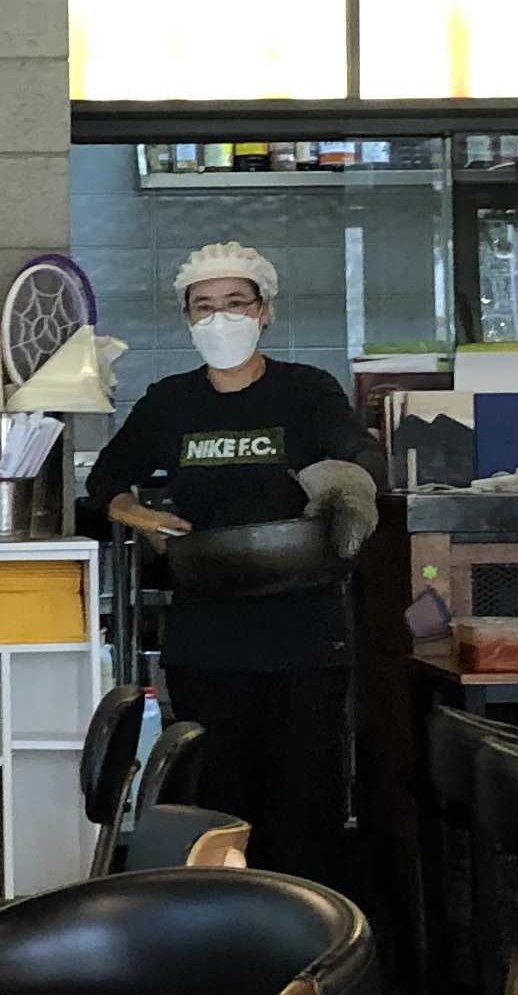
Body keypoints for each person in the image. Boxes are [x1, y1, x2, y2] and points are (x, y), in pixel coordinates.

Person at [80, 243, 381, 875]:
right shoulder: (170, 402)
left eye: (237, 303)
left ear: (265, 312)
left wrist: (348, 485)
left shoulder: (306, 391)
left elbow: (356, 453)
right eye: (205, 307)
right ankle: (224, 924)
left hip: (305, 634)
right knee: (215, 805)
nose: (221, 319)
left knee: (304, 804)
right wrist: (140, 516)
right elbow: (105, 480)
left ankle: (305, 926)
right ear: (188, 320)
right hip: (207, 635)